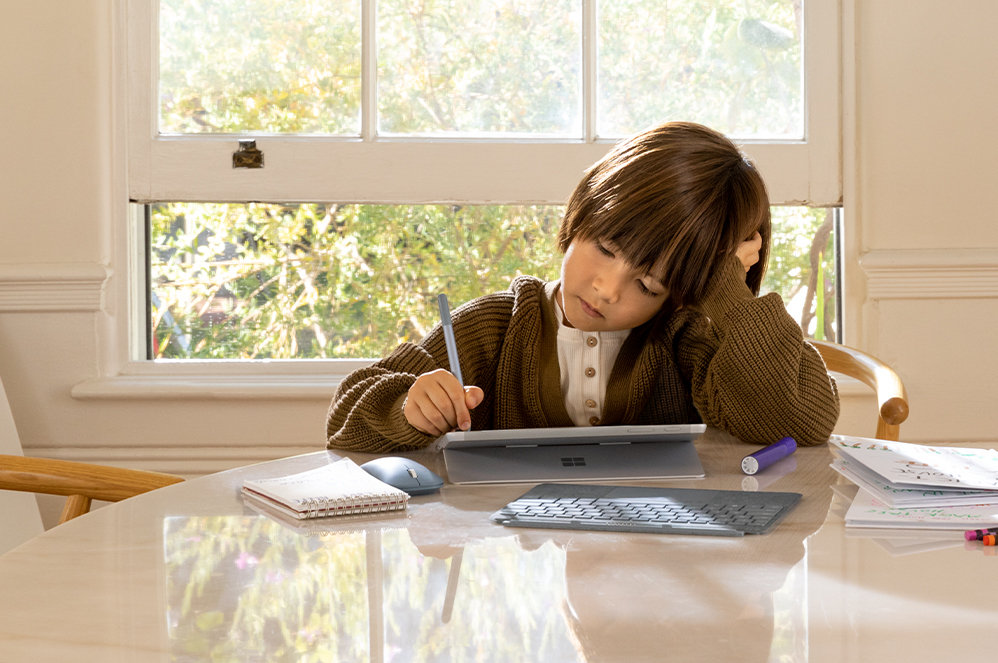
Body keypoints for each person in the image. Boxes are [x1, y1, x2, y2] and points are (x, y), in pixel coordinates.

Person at [326, 121, 839, 453]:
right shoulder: (493, 329)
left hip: (663, 569)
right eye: (607, 249)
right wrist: (408, 408)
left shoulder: (691, 341)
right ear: (581, 215)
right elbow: (347, 421)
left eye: (648, 283)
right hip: (511, 572)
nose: (608, 290)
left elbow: (797, 424)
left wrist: (728, 290)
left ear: (683, 291)